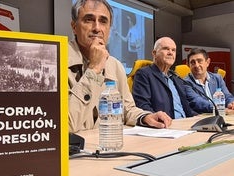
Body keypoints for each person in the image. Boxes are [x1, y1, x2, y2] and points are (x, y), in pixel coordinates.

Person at [68, 0, 172, 133]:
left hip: (109, 146)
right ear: (74, 26)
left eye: (103, 21)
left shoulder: (115, 65)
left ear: (109, 29)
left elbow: (127, 109)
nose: (97, 28)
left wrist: (145, 117)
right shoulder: (56, 60)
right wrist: (94, 69)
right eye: (88, 20)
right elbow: (64, 125)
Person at [132, 37, 197, 119]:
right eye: (166, 49)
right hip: (165, 126)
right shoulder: (144, 74)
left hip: (185, 123)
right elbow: (142, 105)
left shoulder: (176, 78)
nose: (170, 53)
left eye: (173, 50)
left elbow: (186, 107)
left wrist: (197, 117)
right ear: (154, 53)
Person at [184, 48, 234, 113]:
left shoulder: (217, 78)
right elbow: (197, 102)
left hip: (221, 115)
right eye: (193, 62)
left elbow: (227, 96)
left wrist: (231, 103)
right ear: (188, 65)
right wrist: (219, 109)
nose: (196, 65)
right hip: (201, 118)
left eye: (199, 61)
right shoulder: (185, 83)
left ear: (207, 62)